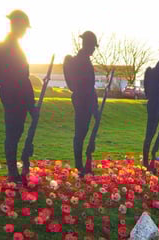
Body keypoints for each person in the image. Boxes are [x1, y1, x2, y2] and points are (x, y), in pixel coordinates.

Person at [0, 9, 36, 183]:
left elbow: (24, 78)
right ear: (16, 25)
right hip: (13, 94)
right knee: (13, 133)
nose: (24, 32)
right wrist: (31, 104)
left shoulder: (15, 46)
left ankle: (15, 169)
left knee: (17, 131)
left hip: (19, 93)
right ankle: (12, 172)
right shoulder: (5, 47)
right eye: (23, 28)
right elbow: (20, 77)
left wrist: (31, 104)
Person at [65, 31, 100, 175]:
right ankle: (79, 164)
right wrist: (93, 106)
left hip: (87, 99)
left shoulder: (84, 60)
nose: (93, 49)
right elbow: (83, 86)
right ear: (87, 45)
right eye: (92, 46)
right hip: (83, 100)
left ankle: (83, 162)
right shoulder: (79, 61)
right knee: (80, 132)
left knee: (83, 131)